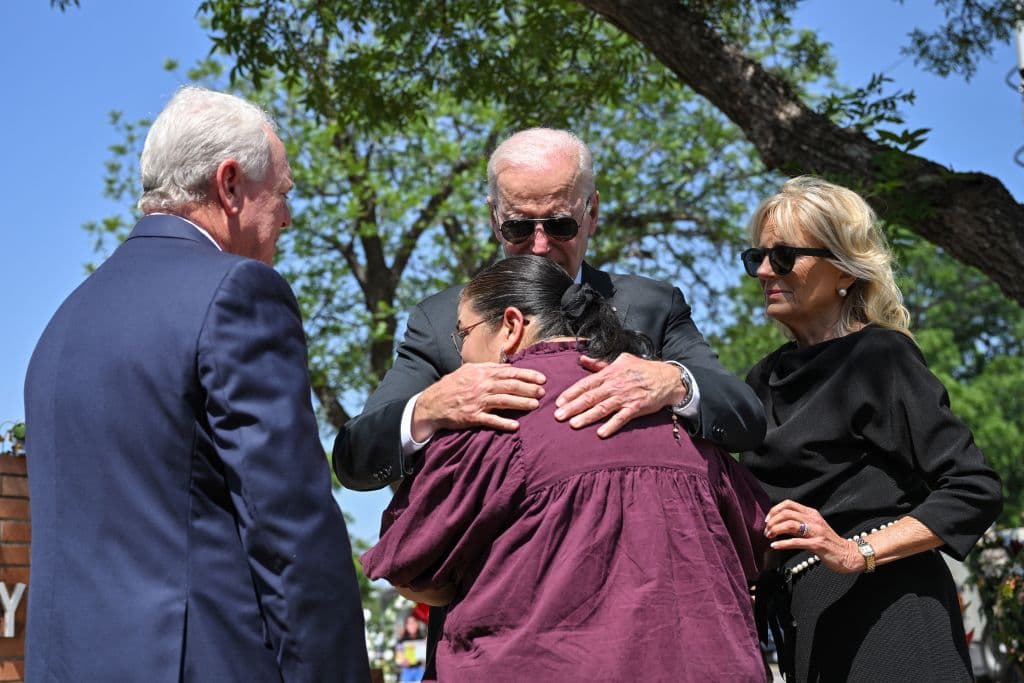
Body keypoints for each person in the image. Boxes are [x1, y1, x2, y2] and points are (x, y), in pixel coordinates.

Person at [23, 86, 370, 682]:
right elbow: (288, 530)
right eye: (282, 194)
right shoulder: (238, 293)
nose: (286, 216)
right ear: (230, 184)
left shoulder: (63, 323)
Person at [361, 255, 770, 682]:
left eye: (462, 334)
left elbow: (411, 570)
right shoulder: (680, 418)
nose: (460, 353)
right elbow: (758, 538)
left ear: (511, 326)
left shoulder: (491, 428)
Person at [333, 127, 766, 490]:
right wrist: (428, 407)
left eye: (560, 225)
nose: (539, 246)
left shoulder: (652, 306)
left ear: (592, 212)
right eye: (519, 227)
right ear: (493, 218)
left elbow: (745, 417)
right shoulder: (439, 320)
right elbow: (355, 457)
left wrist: (674, 382)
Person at [739, 176, 1003, 682]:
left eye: (785, 257)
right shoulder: (762, 379)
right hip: (808, 626)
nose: (766, 271)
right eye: (757, 258)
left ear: (842, 269)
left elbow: (974, 489)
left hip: (893, 617)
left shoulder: (879, 357)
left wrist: (855, 552)